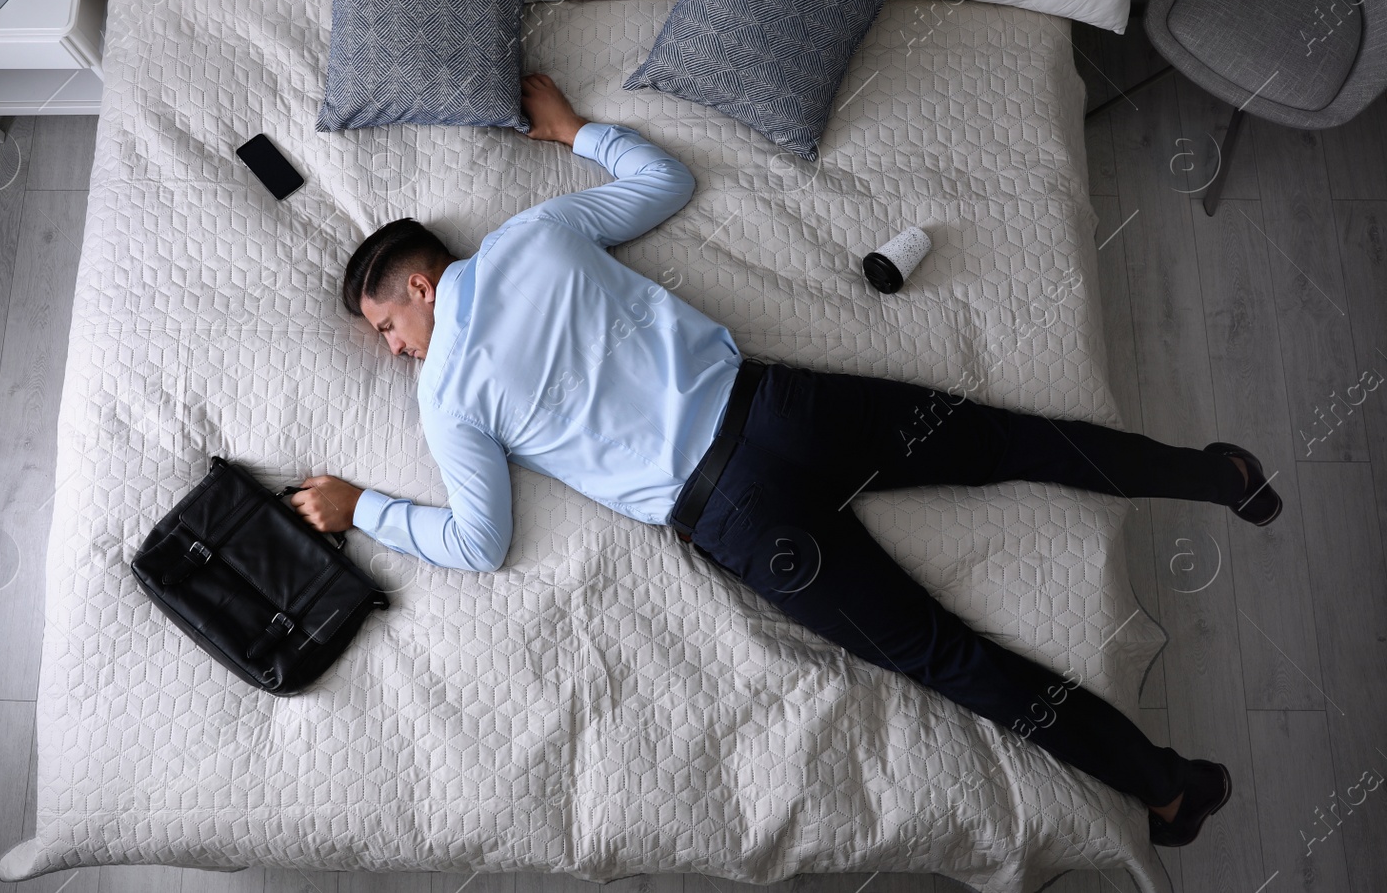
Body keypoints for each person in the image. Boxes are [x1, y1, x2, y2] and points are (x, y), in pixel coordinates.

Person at [292, 73, 1279, 848]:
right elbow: (666, 183)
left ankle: (1167, 784)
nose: (391, 347)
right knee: (1006, 438)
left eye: (385, 323)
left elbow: (480, 541)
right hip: (783, 406)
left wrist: (362, 506)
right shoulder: (534, 233)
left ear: (418, 284)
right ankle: (1211, 474)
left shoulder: (447, 396)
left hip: (741, 517)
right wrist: (572, 133)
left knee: (945, 655)